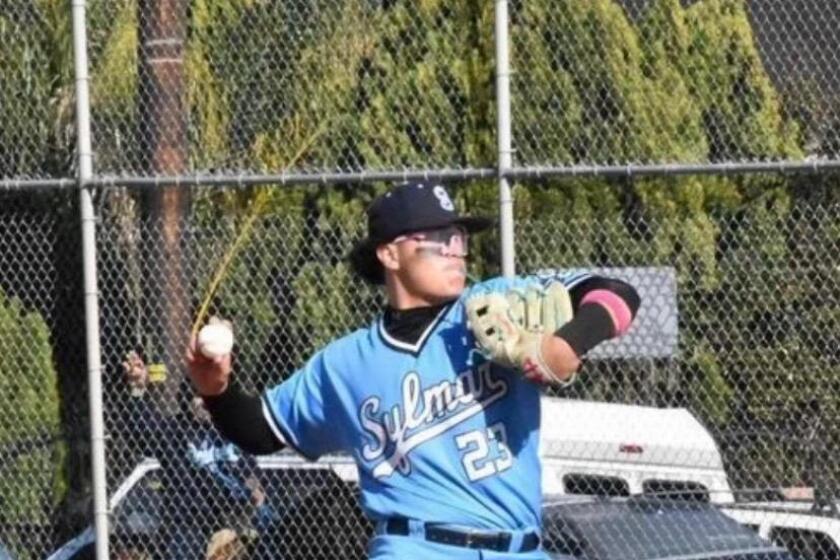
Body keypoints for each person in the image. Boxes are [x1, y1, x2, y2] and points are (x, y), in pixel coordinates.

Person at [187, 182, 641, 560]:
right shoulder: (345, 364)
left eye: (459, 238)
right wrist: (217, 389)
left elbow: (617, 292)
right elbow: (261, 431)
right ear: (389, 255)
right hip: (417, 547)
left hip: (524, 548)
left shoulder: (496, 305)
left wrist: (567, 342)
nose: (455, 251)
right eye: (439, 240)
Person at [121, 352, 277, 559]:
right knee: (183, 546)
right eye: (198, 396)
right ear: (187, 398)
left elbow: (249, 471)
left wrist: (253, 489)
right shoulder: (175, 431)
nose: (203, 403)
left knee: (271, 525)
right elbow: (140, 428)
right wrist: (138, 389)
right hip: (189, 522)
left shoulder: (232, 428)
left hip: (232, 516)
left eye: (209, 398)